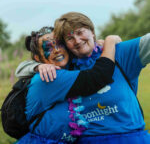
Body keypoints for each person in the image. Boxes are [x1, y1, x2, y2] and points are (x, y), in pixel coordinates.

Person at [15, 12, 150, 144]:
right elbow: (98, 76)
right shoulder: (53, 74)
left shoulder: (119, 53)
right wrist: (110, 41)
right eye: (69, 38)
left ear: (92, 31)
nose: (77, 40)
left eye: (80, 32)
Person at [15, 26, 120, 144]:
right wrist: (110, 41)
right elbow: (98, 76)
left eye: (59, 44)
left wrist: (96, 45)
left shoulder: (71, 68)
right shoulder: (49, 77)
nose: (56, 50)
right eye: (48, 48)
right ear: (38, 58)